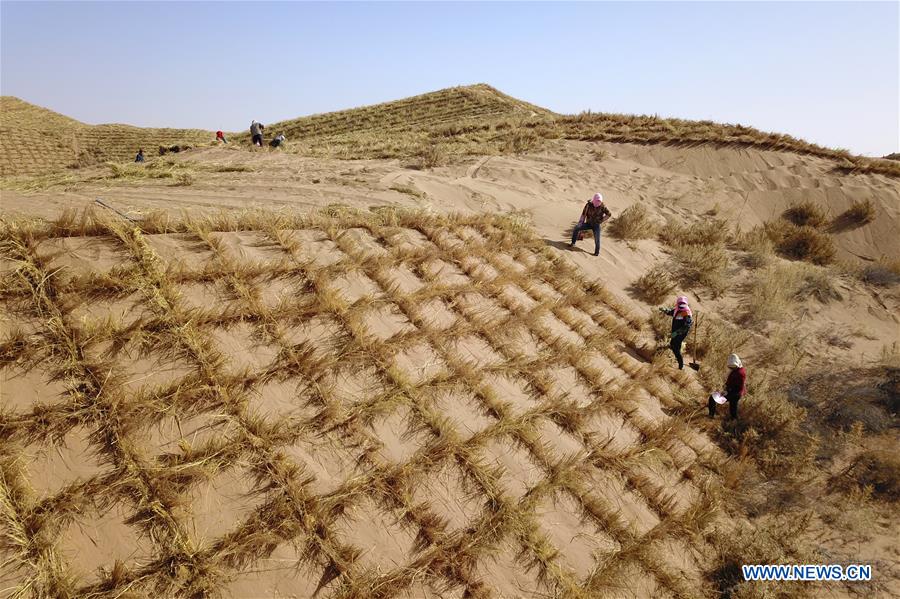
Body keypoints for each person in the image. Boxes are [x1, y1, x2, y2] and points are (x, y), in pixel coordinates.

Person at [709, 354, 747, 419]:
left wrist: (727, 391)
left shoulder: (740, 373)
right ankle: (735, 421)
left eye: (732, 367)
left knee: (713, 398)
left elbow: (738, 387)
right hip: (735, 393)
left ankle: (711, 416)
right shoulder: (738, 370)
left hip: (735, 393)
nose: (731, 368)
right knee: (733, 409)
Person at [660, 296, 692, 370]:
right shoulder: (677, 309)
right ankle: (671, 353)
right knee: (672, 343)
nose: (681, 305)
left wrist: (677, 333)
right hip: (675, 331)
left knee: (676, 348)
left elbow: (687, 326)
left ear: (686, 304)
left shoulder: (685, 312)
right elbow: (671, 312)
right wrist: (664, 310)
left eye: (683, 304)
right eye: (680, 303)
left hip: (681, 333)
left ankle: (680, 365)